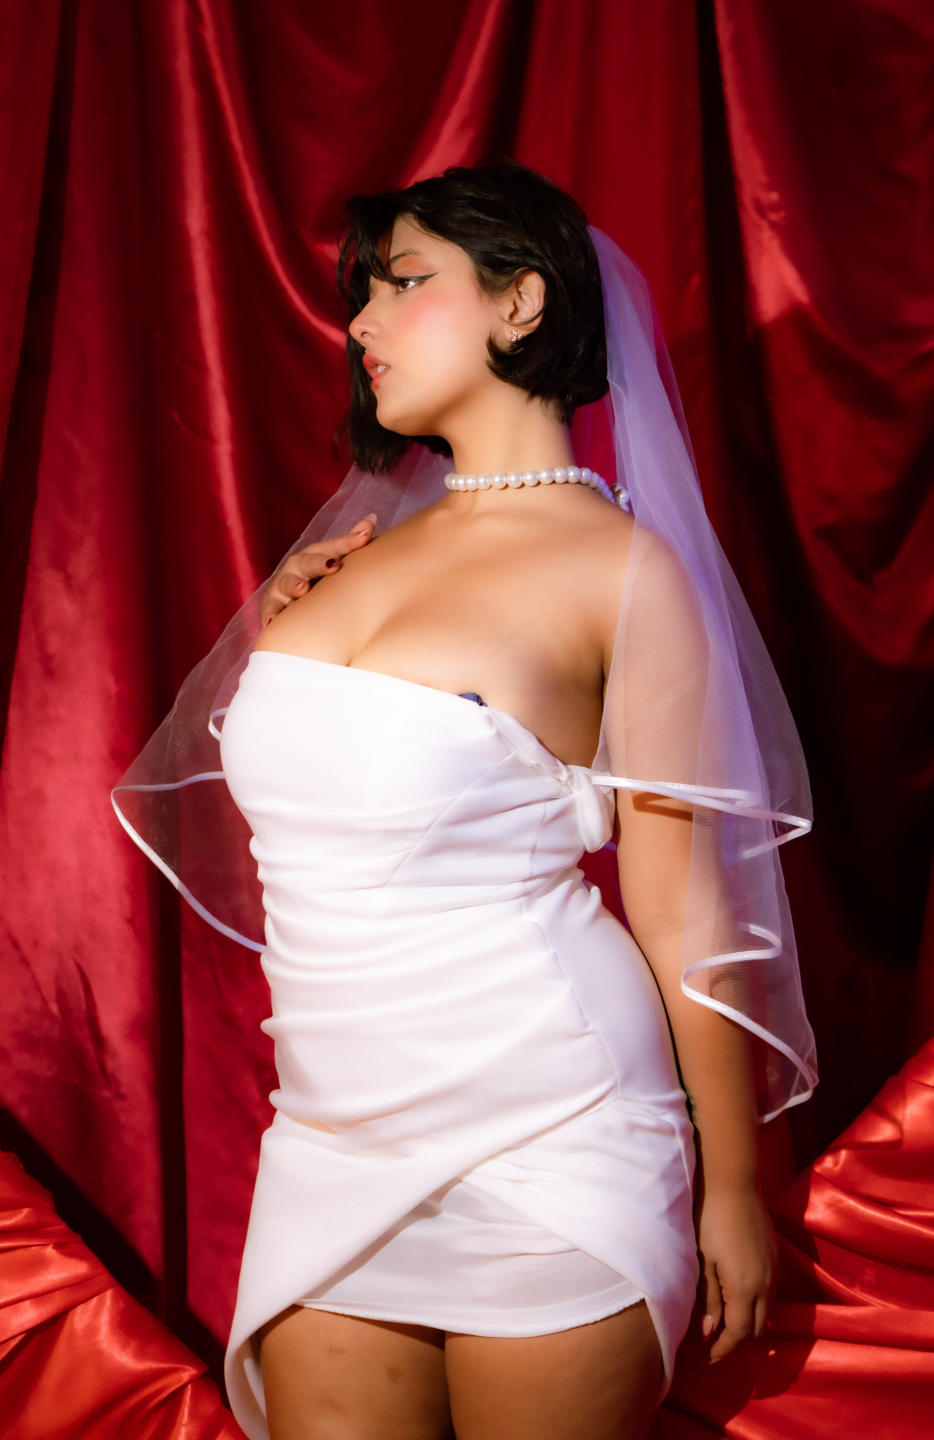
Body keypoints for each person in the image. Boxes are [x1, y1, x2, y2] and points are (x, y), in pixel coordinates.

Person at [114, 161, 816, 1440]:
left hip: (552, 1128)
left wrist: (733, 1188)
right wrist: (288, 622)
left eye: (402, 283)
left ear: (520, 301)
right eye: (362, 296)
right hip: (328, 1142)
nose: (361, 324)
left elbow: (683, 912)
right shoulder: (348, 558)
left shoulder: (622, 572)